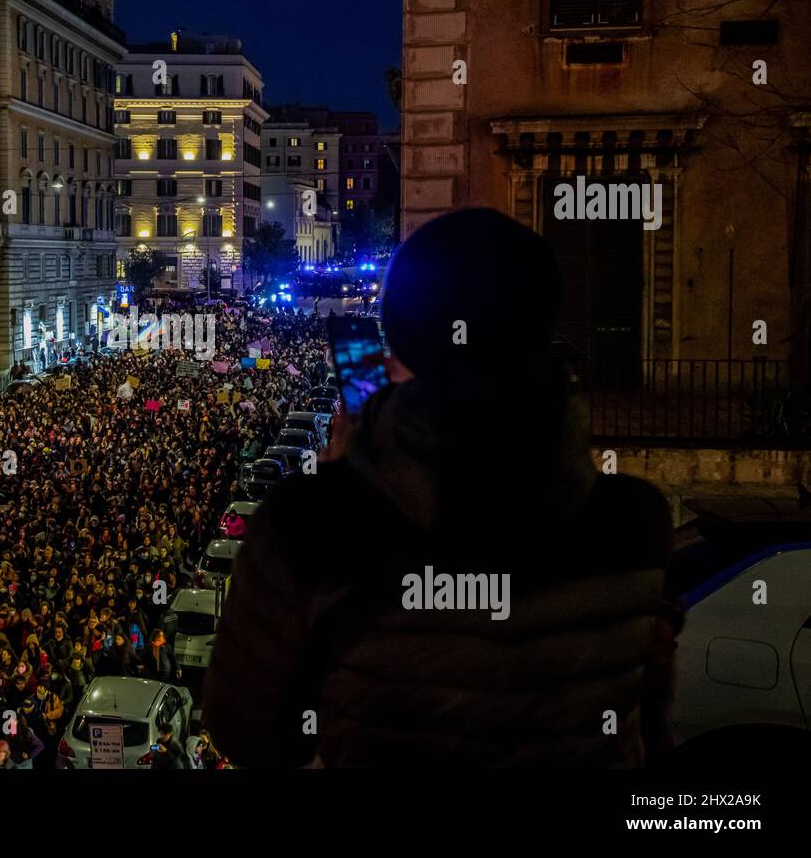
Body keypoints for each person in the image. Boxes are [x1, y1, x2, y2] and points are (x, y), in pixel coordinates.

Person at [204, 208, 677, 768]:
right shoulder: (634, 521)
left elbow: (249, 734)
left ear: (396, 340)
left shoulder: (310, 522)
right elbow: (650, 728)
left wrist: (344, 475)